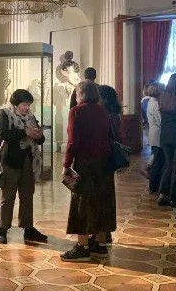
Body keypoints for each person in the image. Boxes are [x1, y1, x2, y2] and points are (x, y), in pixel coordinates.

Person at [61, 80, 116, 262]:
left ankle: (82, 247)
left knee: (82, 204)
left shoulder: (76, 112)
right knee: (103, 201)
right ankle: (100, 244)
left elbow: (72, 142)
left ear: (80, 94)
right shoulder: (103, 111)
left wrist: (66, 165)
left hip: (85, 163)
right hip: (105, 163)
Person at [0, 89, 48, 244]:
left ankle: (28, 228)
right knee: (8, 196)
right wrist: (25, 132)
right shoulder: (4, 113)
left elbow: (40, 139)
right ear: (16, 103)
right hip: (10, 161)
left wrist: (39, 136)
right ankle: (3, 229)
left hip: (28, 161)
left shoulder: (31, 116)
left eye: (29, 105)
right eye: (24, 104)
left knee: (27, 196)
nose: (27, 108)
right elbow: (3, 134)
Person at [96, 85, 121, 247]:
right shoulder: (114, 114)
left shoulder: (103, 115)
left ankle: (101, 233)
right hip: (109, 159)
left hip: (101, 158)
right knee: (107, 196)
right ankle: (105, 232)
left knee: (100, 197)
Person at [157, 73, 176, 207]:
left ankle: (163, 194)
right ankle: (174, 197)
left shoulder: (163, 97)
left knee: (168, 165)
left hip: (165, 134)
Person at [146, 82, 166, 194]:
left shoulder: (151, 101)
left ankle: (154, 186)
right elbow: (160, 120)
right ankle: (154, 186)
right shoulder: (155, 103)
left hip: (154, 133)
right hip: (158, 134)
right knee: (158, 162)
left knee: (157, 160)